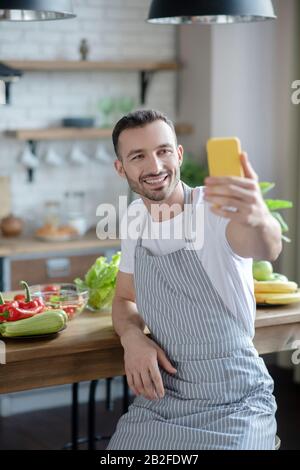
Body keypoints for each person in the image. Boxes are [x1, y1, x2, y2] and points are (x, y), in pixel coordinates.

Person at [106, 109, 282, 450]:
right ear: (121, 168)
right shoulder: (133, 221)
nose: (155, 167)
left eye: (163, 151)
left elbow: (266, 246)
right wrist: (132, 337)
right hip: (165, 397)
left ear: (179, 154)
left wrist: (260, 219)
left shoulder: (215, 208)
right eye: (138, 156)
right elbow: (124, 298)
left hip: (236, 398)